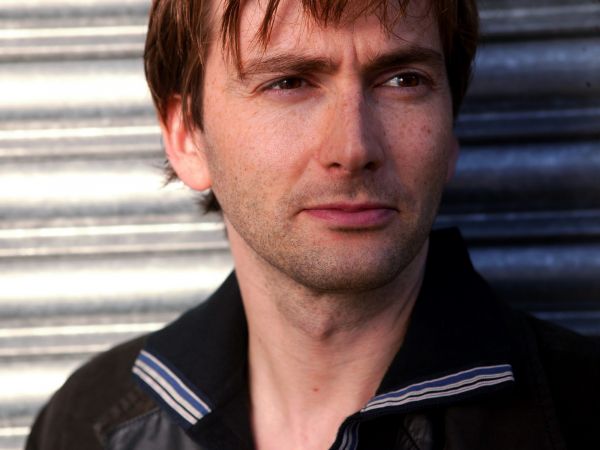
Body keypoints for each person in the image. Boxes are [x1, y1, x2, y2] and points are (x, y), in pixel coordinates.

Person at [26, 0, 599, 448]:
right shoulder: (87, 423)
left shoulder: (579, 412)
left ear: (450, 128)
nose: (353, 148)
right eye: (290, 81)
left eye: (403, 79)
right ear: (186, 137)